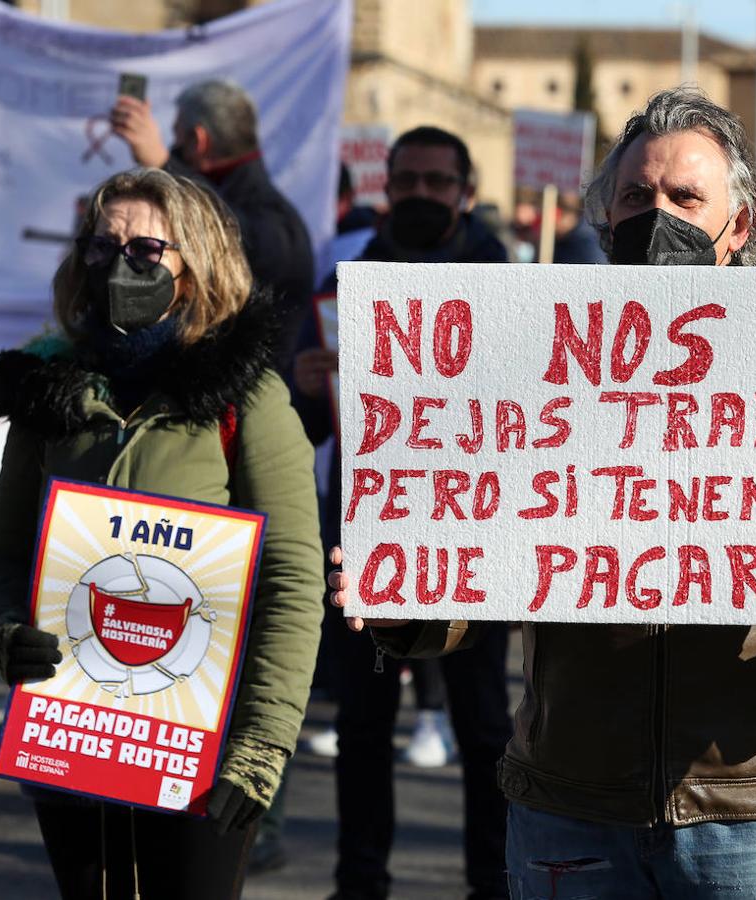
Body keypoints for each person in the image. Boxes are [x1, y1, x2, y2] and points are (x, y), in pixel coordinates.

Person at [329, 88, 756, 898]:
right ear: (603, 221)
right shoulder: (536, 368)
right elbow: (477, 570)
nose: (656, 214)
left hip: (754, 815)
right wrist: (401, 595)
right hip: (571, 802)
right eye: (636, 196)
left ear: (737, 227)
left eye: (683, 197)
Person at [0, 168, 323, 900]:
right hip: (73, 729)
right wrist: (2, 632)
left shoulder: (245, 397)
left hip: (201, 740)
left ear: (194, 262)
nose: (118, 264)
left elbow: (291, 580)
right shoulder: (47, 392)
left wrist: (259, 749)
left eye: (144, 248)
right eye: (102, 247)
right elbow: (0, 557)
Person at [291, 125, 512, 900]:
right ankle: (360, 881)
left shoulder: (508, 279)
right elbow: (305, 428)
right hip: (367, 538)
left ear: (466, 192)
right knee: (362, 725)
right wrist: (309, 384)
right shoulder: (345, 278)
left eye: (435, 182)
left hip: (474, 537)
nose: (419, 194)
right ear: (386, 184)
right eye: (405, 180)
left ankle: (491, 882)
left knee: (485, 726)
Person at [111, 80, 313, 366]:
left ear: (198, 140)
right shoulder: (271, 212)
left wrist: (165, 164)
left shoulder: (275, 224)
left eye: (176, 137)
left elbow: (230, 235)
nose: (173, 147)